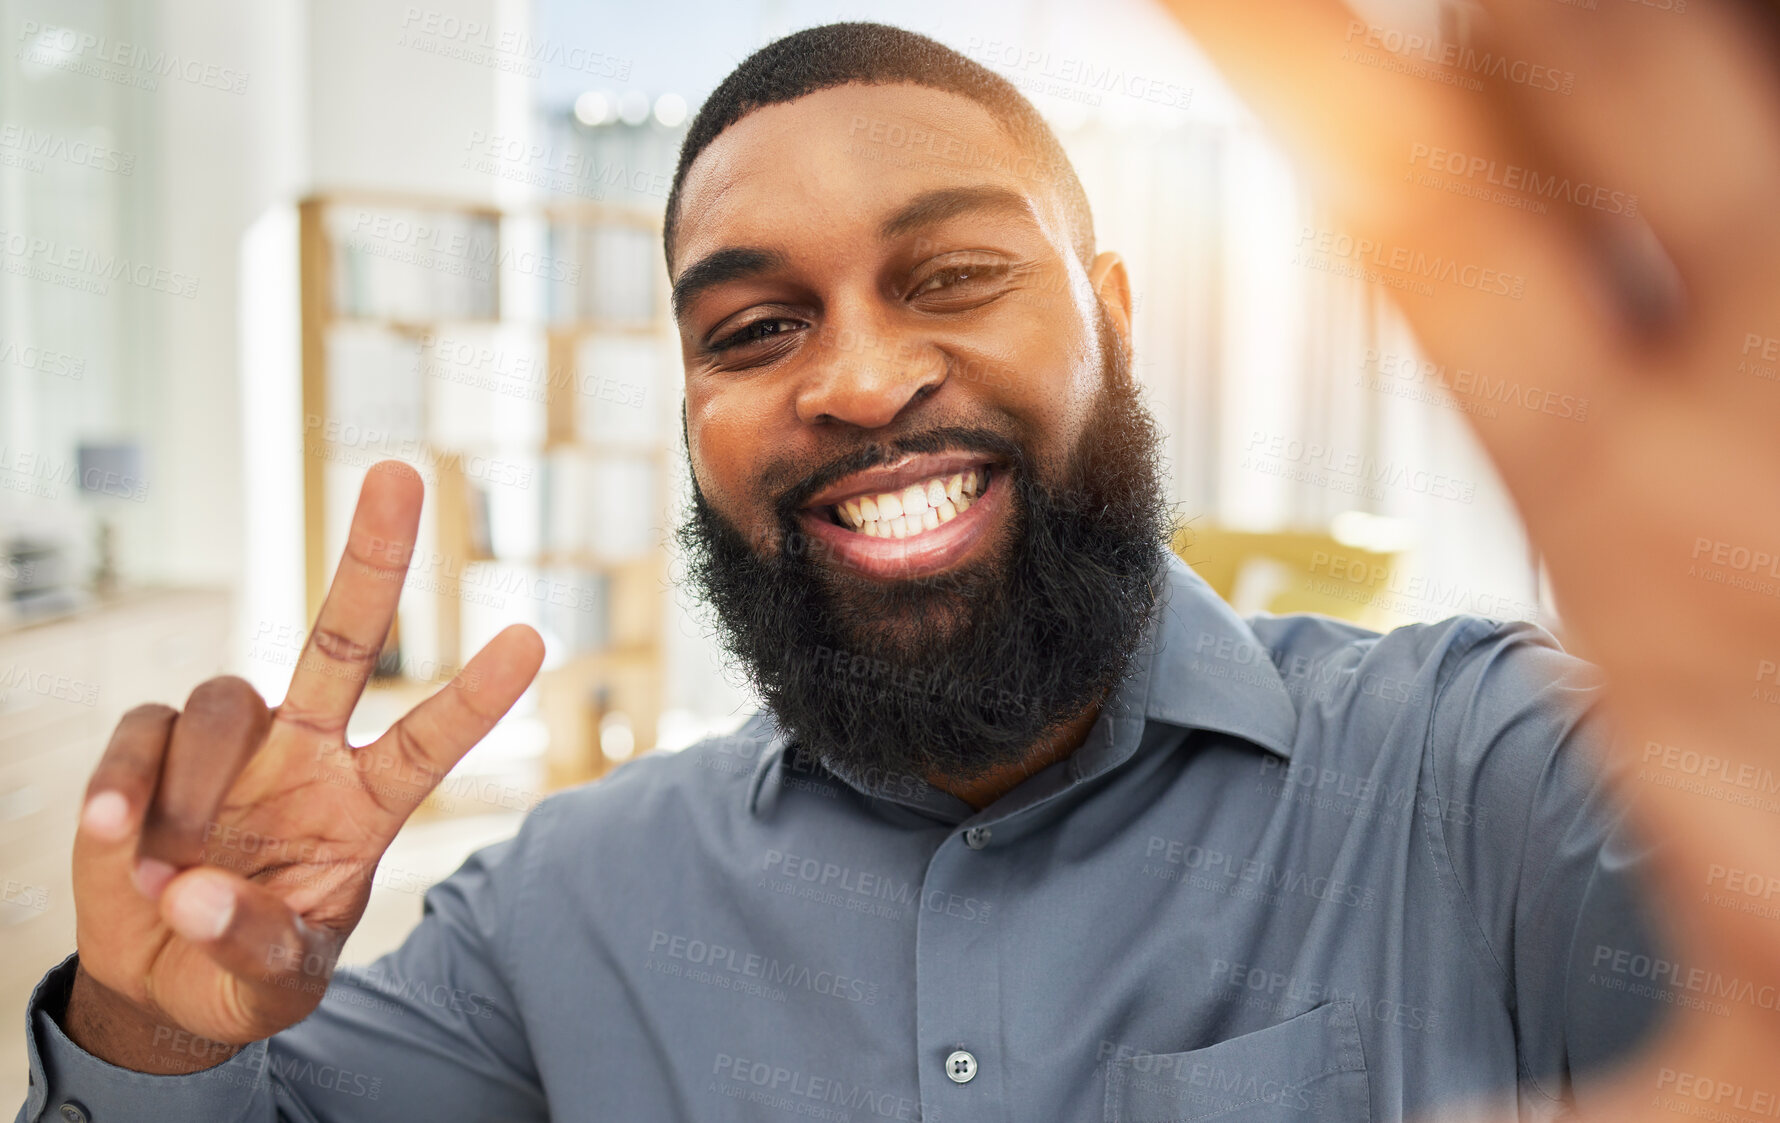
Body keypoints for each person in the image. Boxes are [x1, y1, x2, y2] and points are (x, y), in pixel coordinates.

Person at [20, 15, 1764, 1122]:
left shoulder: (1475, 777)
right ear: (693, 415)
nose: (856, 381)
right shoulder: (564, 907)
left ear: (1116, 318)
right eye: (759, 325)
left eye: (949, 278)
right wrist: (159, 1033)